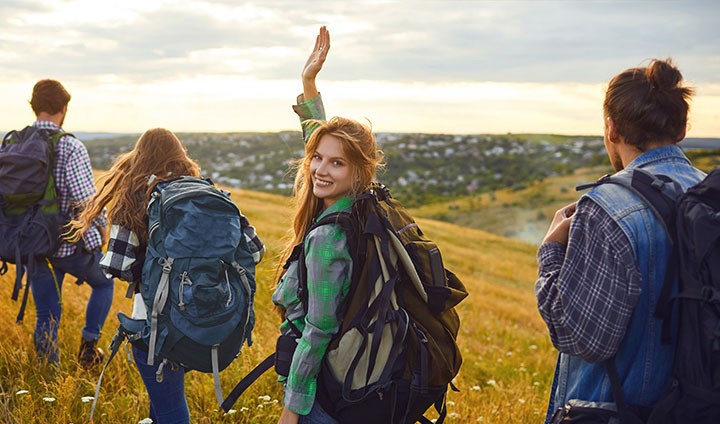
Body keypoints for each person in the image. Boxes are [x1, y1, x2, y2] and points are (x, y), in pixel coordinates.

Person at [535, 58, 707, 422]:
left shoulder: (607, 208)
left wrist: (551, 251)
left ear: (612, 129)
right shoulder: (708, 192)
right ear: (681, 129)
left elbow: (581, 337)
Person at [67, 128, 265, 423]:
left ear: (139, 157)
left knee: (171, 410)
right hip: (199, 318)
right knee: (162, 404)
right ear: (181, 155)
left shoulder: (135, 199)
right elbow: (255, 251)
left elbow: (117, 267)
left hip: (154, 326)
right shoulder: (206, 192)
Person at [273, 26, 384, 424]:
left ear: (359, 171)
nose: (319, 169)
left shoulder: (327, 236)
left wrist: (292, 409)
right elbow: (323, 142)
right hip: (350, 382)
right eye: (317, 158)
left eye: (335, 163)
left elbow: (318, 329)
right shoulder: (365, 204)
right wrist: (308, 83)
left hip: (322, 391)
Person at [25, 79, 114, 367]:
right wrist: (101, 229)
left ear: (33, 106)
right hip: (67, 246)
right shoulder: (70, 146)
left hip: (32, 245)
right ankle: (88, 350)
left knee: (47, 314)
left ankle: (48, 377)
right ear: (63, 109)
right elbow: (85, 200)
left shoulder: (15, 142)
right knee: (104, 283)